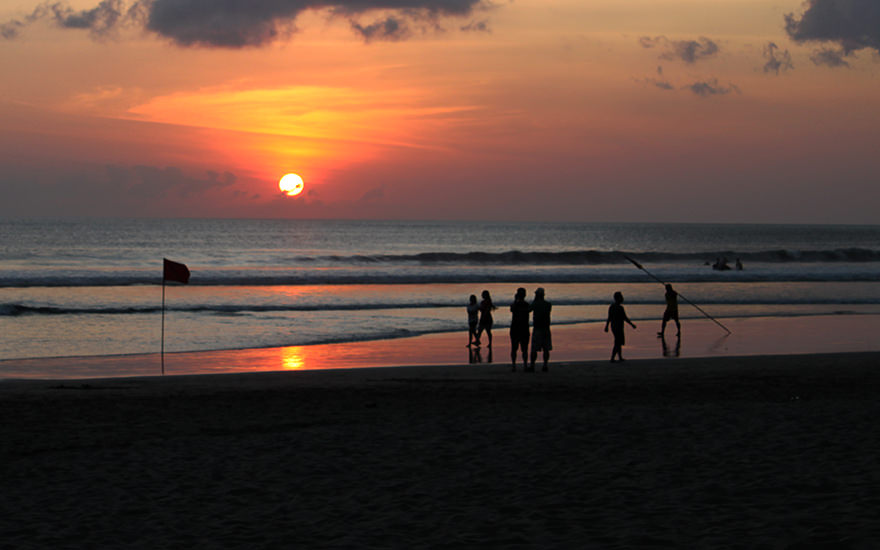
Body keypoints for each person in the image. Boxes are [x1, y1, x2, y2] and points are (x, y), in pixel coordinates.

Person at [605, 291, 636, 363]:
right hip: (618, 326)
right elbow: (625, 318)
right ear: (618, 298)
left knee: (618, 341)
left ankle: (620, 357)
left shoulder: (611, 307)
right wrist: (632, 324)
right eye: (621, 297)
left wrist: (606, 326)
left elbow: (609, 317)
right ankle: (612, 358)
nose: (622, 298)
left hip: (613, 326)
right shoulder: (620, 308)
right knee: (618, 342)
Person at [529, 287, 552, 372]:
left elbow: (529, 310)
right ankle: (545, 365)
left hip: (538, 328)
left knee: (534, 348)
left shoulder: (535, 304)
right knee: (546, 348)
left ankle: (532, 366)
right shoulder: (548, 304)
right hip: (546, 328)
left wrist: (535, 300)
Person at [509, 288, 530, 371]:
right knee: (524, 348)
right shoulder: (527, 304)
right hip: (524, 328)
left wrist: (515, 300)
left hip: (515, 328)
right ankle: (524, 365)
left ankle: (514, 365)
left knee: (514, 348)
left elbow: (512, 309)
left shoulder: (515, 304)